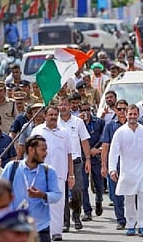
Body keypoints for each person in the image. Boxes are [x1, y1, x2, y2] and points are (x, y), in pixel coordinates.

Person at [109, 104, 143, 237]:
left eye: (134, 114)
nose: (132, 117)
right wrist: (112, 169)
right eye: (130, 114)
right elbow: (113, 152)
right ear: (126, 115)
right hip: (127, 170)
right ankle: (131, 225)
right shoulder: (120, 132)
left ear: (138, 115)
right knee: (129, 199)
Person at [1, 135, 62, 242]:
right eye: (43, 150)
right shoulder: (12, 168)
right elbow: (1, 193)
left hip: (40, 229)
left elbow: (57, 195)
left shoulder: (49, 171)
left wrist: (42, 195)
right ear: (31, 150)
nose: (46, 153)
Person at [31, 105, 74, 241]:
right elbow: (31, 153)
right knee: (40, 203)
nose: (54, 117)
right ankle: (41, 231)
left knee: (58, 204)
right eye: (51, 115)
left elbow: (69, 154)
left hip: (59, 174)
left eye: (56, 115)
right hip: (40, 174)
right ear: (45, 116)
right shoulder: (37, 131)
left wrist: (71, 175)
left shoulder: (64, 132)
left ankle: (56, 232)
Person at [57, 97, 91, 232]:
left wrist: (88, 159)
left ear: (70, 106)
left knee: (77, 190)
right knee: (62, 192)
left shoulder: (78, 122)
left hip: (76, 162)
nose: (63, 107)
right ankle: (65, 222)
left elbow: (84, 141)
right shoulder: (55, 122)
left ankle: (76, 216)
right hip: (60, 162)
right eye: (60, 105)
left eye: (65, 104)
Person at [100, 99, 128, 230]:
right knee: (117, 194)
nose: (122, 111)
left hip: (131, 165)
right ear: (115, 110)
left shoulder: (135, 125)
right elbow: (105, 146)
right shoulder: (110, 126)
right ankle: (121, 219)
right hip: (115, 165)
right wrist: (104, 165)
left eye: (125, 109)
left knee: (132, 193)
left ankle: (133, 218)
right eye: (120, 109)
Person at [79, 101, 105, 221]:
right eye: (83, 110)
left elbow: (103, 137)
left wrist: (96, 149)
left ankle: (99, 200)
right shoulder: (78, 123)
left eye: (87, 110)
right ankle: (87, 211)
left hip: (96, 157)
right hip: (82, 157)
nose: (86, 113)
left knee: (99, 184)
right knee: (84, 185)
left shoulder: (99, 122)